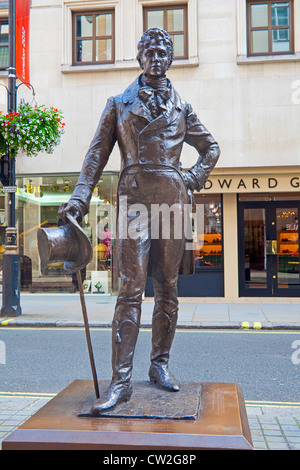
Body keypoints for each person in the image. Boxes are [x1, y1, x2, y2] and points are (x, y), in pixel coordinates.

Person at [59, 28, 220, 415]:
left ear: (170, 59)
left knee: (167, 286)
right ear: (139, 58)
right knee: (130, 288)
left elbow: (210, 148)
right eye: (149, 51)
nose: (156, 57)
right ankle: (121, 382)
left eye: (163, 51)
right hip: (134, 202)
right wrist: (80, 197)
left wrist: (190, 178)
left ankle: (160, 365)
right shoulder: (119, 104)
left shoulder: (182, 107)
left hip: (173, 201)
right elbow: (95, 155)